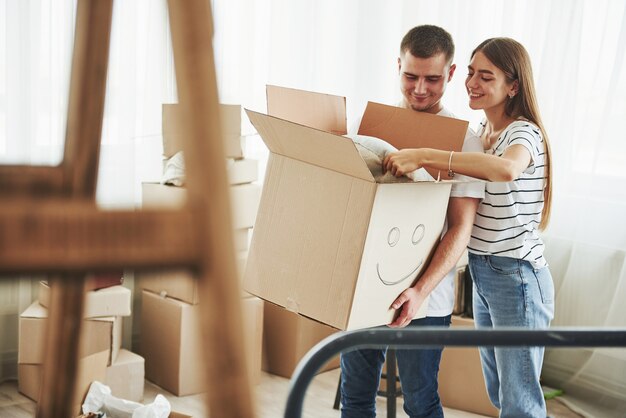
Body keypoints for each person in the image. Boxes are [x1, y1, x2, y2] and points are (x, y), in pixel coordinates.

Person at [384, 37, 555, 418]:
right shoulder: (482, 132)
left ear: (513, 86)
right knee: (500, 393)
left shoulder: (523, 133)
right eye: (472, 72)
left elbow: (507, 170)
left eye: (487, 76)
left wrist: (428, 155)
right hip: (483, 271)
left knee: (520, 402)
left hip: (518, 276)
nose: (473, 83)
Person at [340, 25, 485, 418]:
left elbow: (460, 228)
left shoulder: (464, 141)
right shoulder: (369, 126)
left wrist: (419, 291)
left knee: (421, 402)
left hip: (427, 297)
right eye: (410, 76)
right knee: (355, 397)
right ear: (397, 67)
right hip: (365, 288)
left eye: (433, 79)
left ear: (451, 74)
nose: (420, 88)